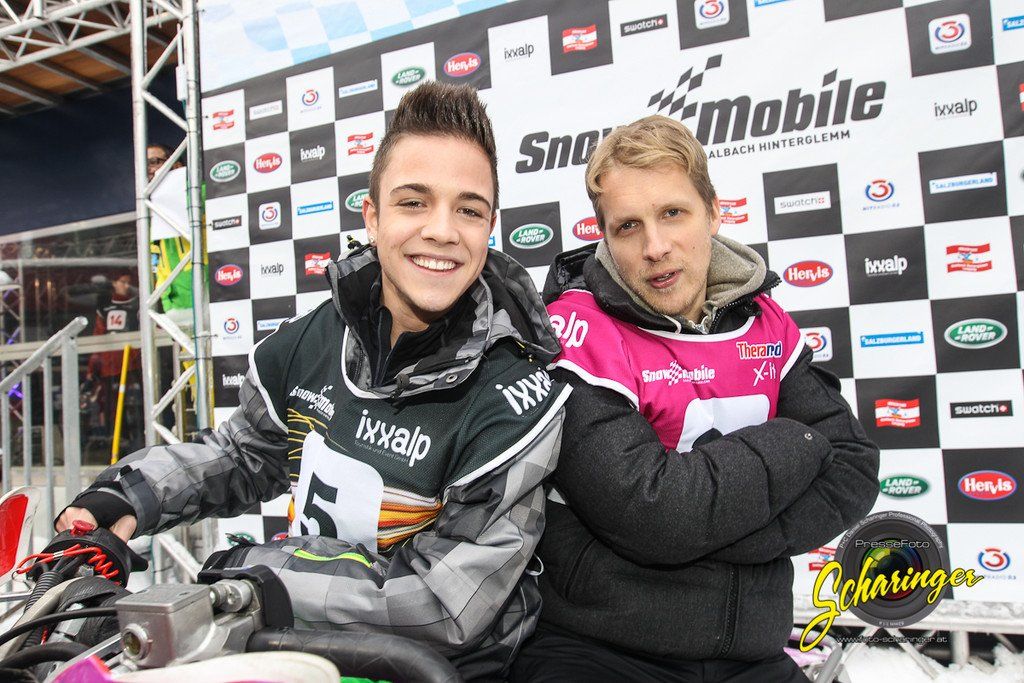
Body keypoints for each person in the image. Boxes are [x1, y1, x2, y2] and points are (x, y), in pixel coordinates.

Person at [56, 82, 571, 679]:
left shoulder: (517, 396)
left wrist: (257, 582)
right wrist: (130, 495)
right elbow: (244, 454)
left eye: (469, 210)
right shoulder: (314, 337)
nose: (442, 230)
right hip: (301, 649)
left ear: (490, 227)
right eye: (413, 202)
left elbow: (443, 606)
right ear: (372, 217)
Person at [512, 115, 880, 682]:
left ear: (712, 211)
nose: (655, 247)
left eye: (673, 213)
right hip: (599, 649)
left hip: (753, 654)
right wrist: (794, 440)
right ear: (604, 236)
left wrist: (702, 535)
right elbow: (654, 515)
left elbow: (853, 469)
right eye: (628, 226)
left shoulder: (766, 322)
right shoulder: (577, 332)